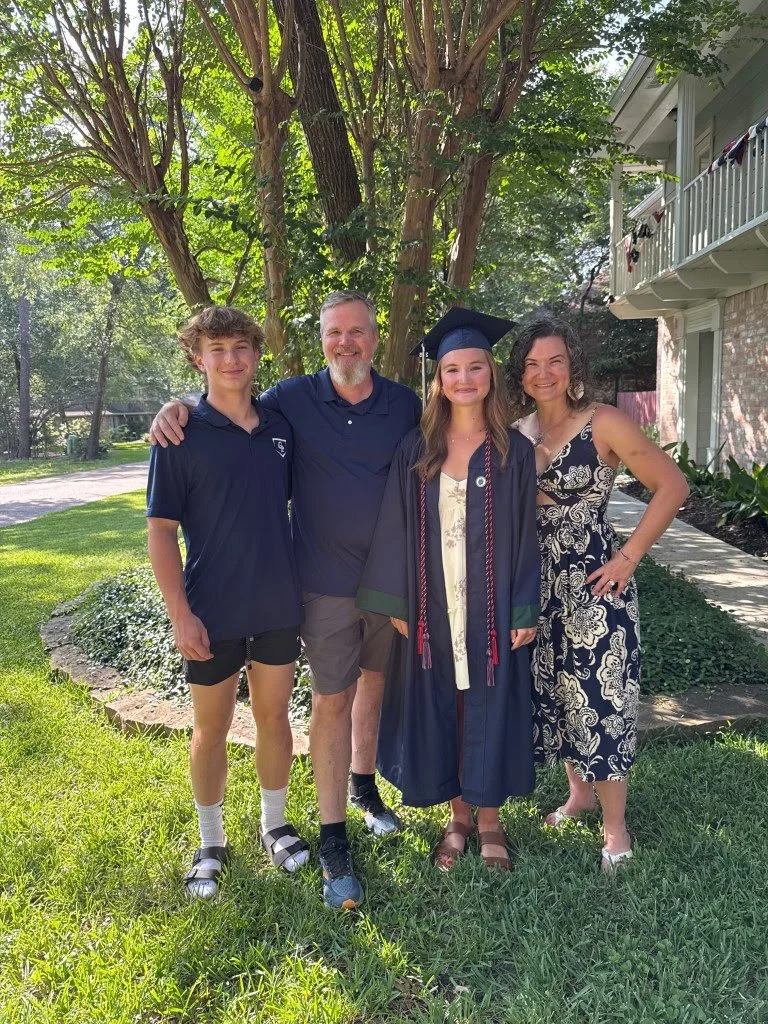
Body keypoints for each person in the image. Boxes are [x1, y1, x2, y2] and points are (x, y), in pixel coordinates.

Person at [149, 291, 422, 909]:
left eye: (241, 349)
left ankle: (301, 814)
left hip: (314, 596)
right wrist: (174, 408)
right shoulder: (265, 409)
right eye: (335, 332)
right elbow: (163, 524)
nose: (346, 342)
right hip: (254, 597)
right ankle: (222, 841)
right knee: (243, 720)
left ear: (375, 338)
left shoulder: (314, 417)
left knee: (306, 709)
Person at [356, 308, 540, 871]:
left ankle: (490, 820)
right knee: (447, 705)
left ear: (491, 374)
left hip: (489, 606)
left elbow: (529, 533)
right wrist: (397, 603)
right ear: (438, 379)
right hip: (433, 605)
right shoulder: (417, 447)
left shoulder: (515, 451)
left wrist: (523, 606)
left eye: (475, 367)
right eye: (452, 369)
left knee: (488, 702)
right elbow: (393, 524)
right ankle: (457, 816)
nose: (465, 379)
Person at [507, 316, 689, 871]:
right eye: (533, 364)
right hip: (536, 585)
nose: (544, 373)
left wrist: (628, 557)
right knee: (561, 696)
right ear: (520, 373)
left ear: (572, 366)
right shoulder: (516, 433)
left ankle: (616, 827)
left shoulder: (602, 423)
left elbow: (673, 485)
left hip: (593, 580)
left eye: (555, 361)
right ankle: (578, 795)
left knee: (601, 697)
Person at [146, 306, 309, 899]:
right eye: (216, 349)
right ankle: (210, 840)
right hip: (210, 609)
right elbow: (161, 532)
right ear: (198, 358)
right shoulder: (179, 434)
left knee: (273, 718)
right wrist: (180, 613)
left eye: (241, 347)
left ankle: (275, 824)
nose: (231, 359)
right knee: (209, 730)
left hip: (275, 604)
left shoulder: (280, 429)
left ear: (257, 353)